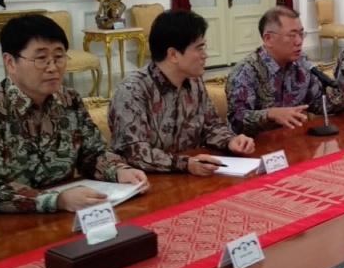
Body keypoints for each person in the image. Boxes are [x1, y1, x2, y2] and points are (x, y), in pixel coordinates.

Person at [0, 14, 146, 213]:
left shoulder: (69, 100)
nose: (53, 67)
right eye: (41, 59)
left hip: (63, 216)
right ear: (10, 63)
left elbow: (92, 155)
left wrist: (119, 171)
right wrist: (57, 200)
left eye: (58, 57)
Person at [109, 10, 255, 176]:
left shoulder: (194, 82)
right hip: (148, 181)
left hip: (192, 175)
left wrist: (231, 141)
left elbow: (211, 125)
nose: (205, 55)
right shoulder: (132, 91)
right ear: (173, 55)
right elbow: (134, 153)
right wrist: (185, 164)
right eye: (199, 48)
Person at [225, 6, 344, 134]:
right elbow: (237, 121)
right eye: (292, 35)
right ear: (268, 39)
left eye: (302, 34)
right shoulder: (246, 72)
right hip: (255, 148)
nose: (299, 42)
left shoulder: (302, 64)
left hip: (292, 141)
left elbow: (316, 103)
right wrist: (270, 114)